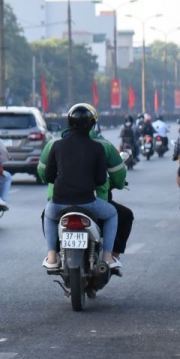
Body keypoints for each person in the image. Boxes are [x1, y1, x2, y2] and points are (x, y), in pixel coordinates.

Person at [38, 113, 132, 271]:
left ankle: (52, 256)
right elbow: (101, 180)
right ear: (92, 125)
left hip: (58, 203)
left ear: (68, 123)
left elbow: (47, 176)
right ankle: (108, 257)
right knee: (112, 213)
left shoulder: (56, 145)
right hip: (87, 203)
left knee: (47, 214)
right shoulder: (99, 147)